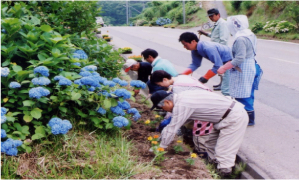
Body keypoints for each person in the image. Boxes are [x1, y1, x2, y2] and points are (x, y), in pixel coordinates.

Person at [150, 90, 248, 176]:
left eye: (161, 107)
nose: (163, 110)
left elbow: (172, 128)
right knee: (210, 145)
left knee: (224, 152)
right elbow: (175, 124)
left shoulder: (182, 104)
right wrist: (161, 138)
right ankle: (212, 170)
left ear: (167, 102)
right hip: (222, 118)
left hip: (233, 117)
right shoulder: (182, 98)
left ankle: (225, 174)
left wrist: (161, 148)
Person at [150, 70, 213, 157]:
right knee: (192, 129)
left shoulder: (178, 88)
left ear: (165, 79)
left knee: (199, 135)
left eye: (159, 84)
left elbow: (176, 109)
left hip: (204, 108)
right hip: (206, 103)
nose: (160, 86)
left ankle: (202, 155)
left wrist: (165, 123)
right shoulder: (181, 78)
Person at [217, 15, 263, 126]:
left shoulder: (240, 39)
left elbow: (239, 58)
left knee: (242, 95)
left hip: (244, 69)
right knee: (249, 94)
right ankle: (248, 119)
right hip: (252, 65)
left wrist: (224, 67)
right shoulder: (250, 34)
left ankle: (247, 120)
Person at [179, 32, 232, 96]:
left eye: (185, 44)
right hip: (225, 64)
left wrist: (205, 78)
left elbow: (218, 65)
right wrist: (182, 74)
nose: (184, 47)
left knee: (226, 90)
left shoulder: (208, 48)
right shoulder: (194, 50)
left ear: (193, 41)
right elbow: (195, 64)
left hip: (233, 61)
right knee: (227, 88)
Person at [198, 8, 230, 91]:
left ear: (218, 14)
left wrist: (219, 51)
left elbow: (223, 39)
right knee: (220, 68)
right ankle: (222, 83)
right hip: (217, 49)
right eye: (209, 16)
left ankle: (225, 86)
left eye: (212, 16)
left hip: (221, 50)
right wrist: (204, 33)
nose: (210, 18)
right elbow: (214, 36)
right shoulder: (217, 23)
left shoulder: (222, 23)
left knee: (222, 68)